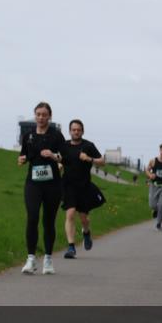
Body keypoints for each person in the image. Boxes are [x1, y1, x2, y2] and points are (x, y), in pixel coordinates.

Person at [18, 102, 66, 275]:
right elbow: (23, 155)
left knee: (48, 221)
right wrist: (21, 160)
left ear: (49, 116)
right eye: (38, 114)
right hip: (33, 183)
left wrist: (53, 156)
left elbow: (64, 157)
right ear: (35, 115)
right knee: (32, 217)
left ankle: (48, 259)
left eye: (44, 115)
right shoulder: (28, 135)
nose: (41, 117)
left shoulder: (56, 135)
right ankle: (31, 259)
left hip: (52, 184)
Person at [60, 119, 105, 259]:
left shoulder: (88, 145)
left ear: (82, 131)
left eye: (78, 130)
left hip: (84, 186)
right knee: (70, 214)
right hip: (68, 185)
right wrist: (59, 165)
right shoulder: (64, 146)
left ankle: (86, 232)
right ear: (69, 131)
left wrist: (89, 159)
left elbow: (102, 161)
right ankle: (71, 247)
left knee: (84, 218)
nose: (76, 132)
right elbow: (59, 159)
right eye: (73, 130)